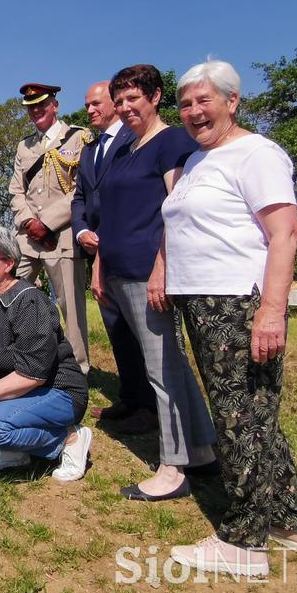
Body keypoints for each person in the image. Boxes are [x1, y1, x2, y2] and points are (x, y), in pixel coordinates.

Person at [162, 60, 297, 575]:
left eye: (204, 100)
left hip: (236, 303)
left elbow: (285, 234)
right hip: (201, 303)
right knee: (253, 419)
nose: (193, 112)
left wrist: (272, 311)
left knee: (238, 421)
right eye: (185, 103)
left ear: (233, 101)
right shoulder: (195, 162)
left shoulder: (257, 154)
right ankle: (295, 524)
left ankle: (244, 542)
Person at [92, 64, 217, 501]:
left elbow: (178, 212)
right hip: (118, 269)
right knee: (171, 366)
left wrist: (163, 270)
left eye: (133, 98)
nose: (125, 107)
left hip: (150, 274)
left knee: (161, 370)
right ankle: (202, 451)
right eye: (119, 100)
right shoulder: (125, 149)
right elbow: (109, 215)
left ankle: (173, 467)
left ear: (155, 96)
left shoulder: (172, 142)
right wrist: (98, 265)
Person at [0, 226, 92, 482]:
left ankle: (68, 439)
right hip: (14, 384)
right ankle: (15, 450)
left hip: (56, 390)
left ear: (9, 263)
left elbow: (32, 375)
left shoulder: (29, 302)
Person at [70, 82, 157, 433]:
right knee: (117, 329)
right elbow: (80, 198)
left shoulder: (134, 141)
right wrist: (80, 231)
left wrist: (105, 234)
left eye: (96, 104)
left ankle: (151, 409)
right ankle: (132, 397)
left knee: (143, 333)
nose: (89, 110)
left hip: (130, 250)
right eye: (87, 104)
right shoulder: (90, 150)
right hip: (98, 254)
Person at [9, 83, 92, 373]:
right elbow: (15, 190)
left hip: (63, 236)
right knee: (13, 296)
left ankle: (76, 370)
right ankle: (17, 360)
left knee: (70, 308)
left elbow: (82, 188)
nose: (36, 111)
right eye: (31, 107)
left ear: (55, 105)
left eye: (41, 105)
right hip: (28, 238)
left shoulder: (79, 138)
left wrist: (48, 222)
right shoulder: (25, 146)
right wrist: (30, 222)